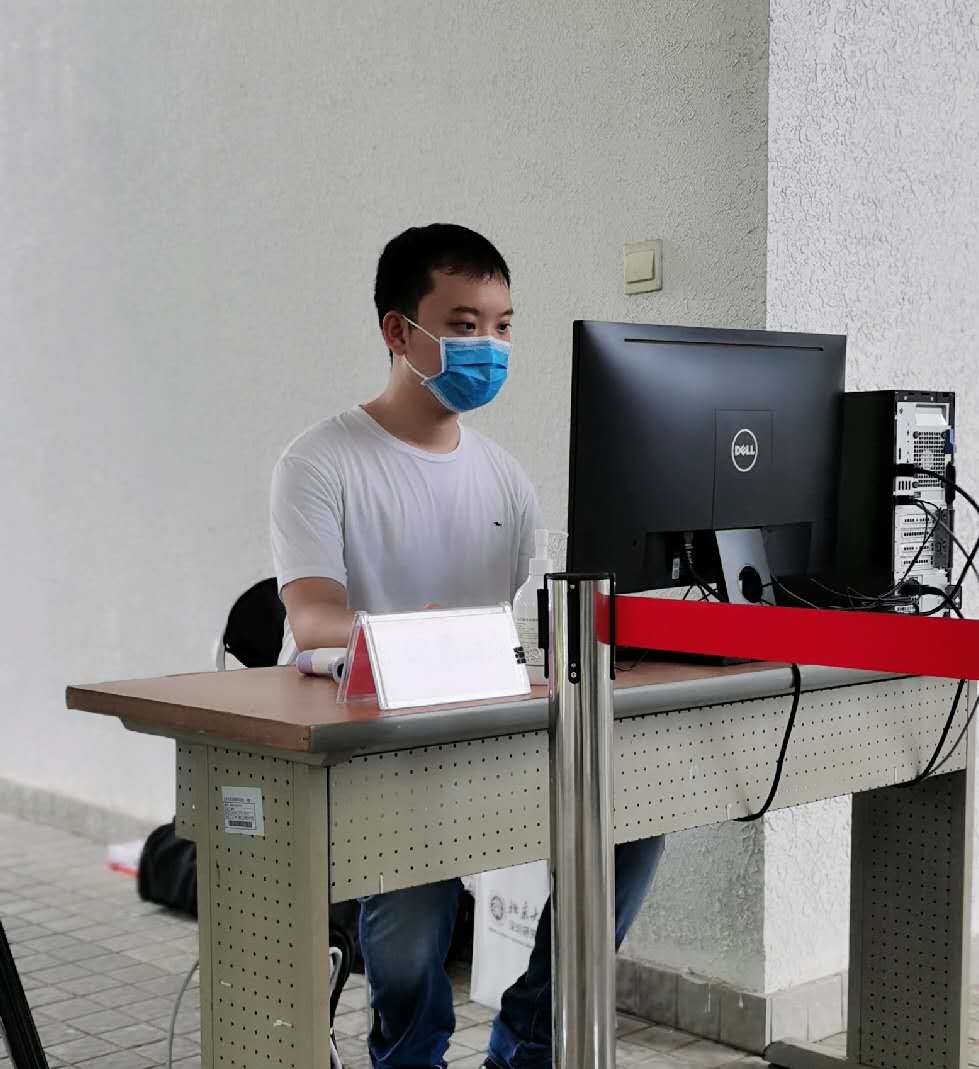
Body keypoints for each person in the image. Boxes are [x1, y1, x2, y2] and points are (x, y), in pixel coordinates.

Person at [270, 223, 664, 1069]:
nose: (488, 345)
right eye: (462, 325)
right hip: (376, 743)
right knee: (411, 918)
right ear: (397, 330)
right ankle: (409, 1054)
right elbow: (314, 619)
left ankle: (528, 1040)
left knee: (632, 825)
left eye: (502, 325)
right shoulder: (320, 461)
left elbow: (528, 619)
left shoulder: (504, 477)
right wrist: (427, 633)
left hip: (489, 731)